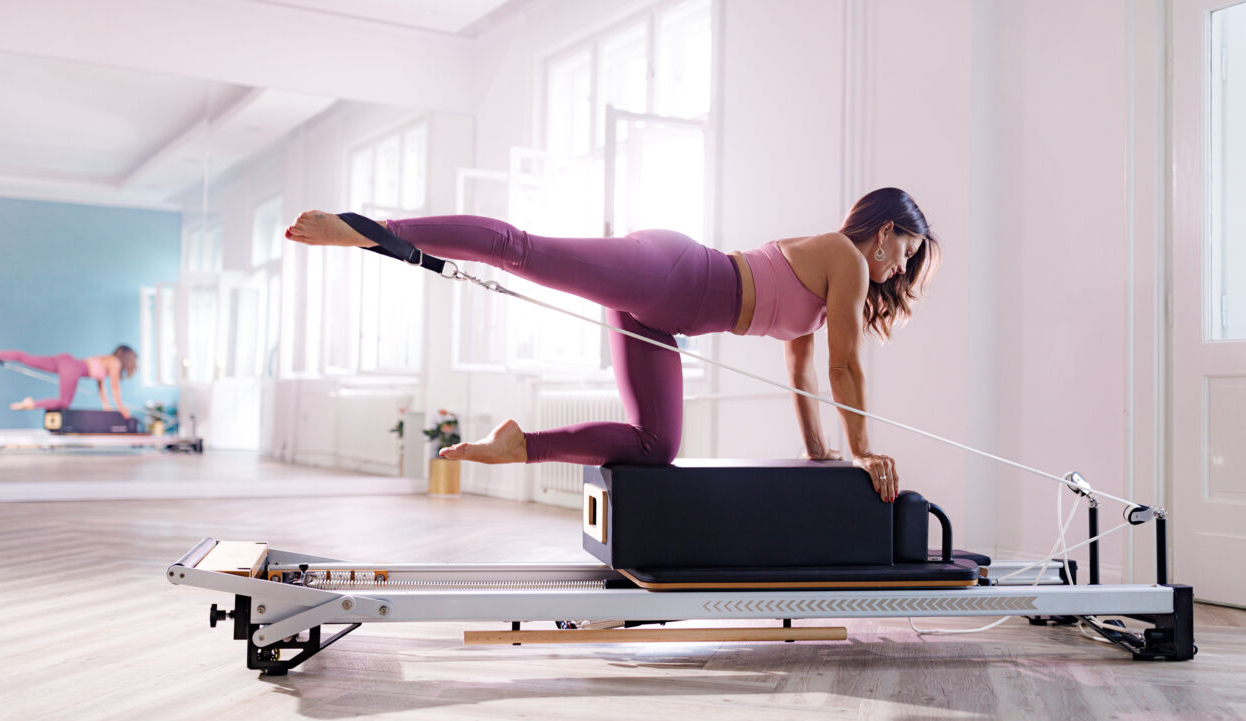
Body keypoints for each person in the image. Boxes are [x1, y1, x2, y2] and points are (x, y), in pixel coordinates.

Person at [285, 187, 937, 502]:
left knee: (658, 447)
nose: (898, 271)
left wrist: (823, 452)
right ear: (884, 234)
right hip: (671, 273)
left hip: (662, 317)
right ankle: (371, 230)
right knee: (521, 251)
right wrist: (865, 450)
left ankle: (521, 446)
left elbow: (806, 372)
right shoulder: (847, 262)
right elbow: (846, 366)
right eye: (904, 254)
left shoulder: (827, 293)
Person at [0, 345, 138, 419]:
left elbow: (101, 385)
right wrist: (121, 407)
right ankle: (32, 403)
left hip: (64, 361)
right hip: (73, 369)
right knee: (63, 402)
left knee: (26, 358)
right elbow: (114, 386)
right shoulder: (115, 363)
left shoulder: (106, 359)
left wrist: (106, 406)